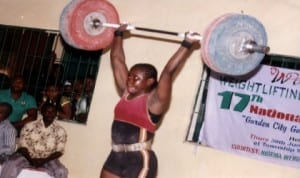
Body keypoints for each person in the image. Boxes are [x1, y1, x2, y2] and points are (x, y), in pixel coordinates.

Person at [100, 25, 200, 178]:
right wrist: (118, 34)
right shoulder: (126, 93)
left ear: (150, 82)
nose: (130, 81)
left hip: (139, 160)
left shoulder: (155, 102)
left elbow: (168, 72)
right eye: (130, 77)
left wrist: (186, 43)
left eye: (137, 78)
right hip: (115, 156)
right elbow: (117, 60)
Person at [0, 103, 68, 178]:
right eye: (47, 112)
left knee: (62, 171)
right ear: (42, 112)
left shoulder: (60, 131)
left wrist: (44, 160)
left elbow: (59, 151)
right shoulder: (29, 126)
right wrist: (30, 159)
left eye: (53, 112)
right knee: (10, 165)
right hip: (26, 156)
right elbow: (23, 147)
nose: (50, 114)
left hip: (48, 158)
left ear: (56, 114)